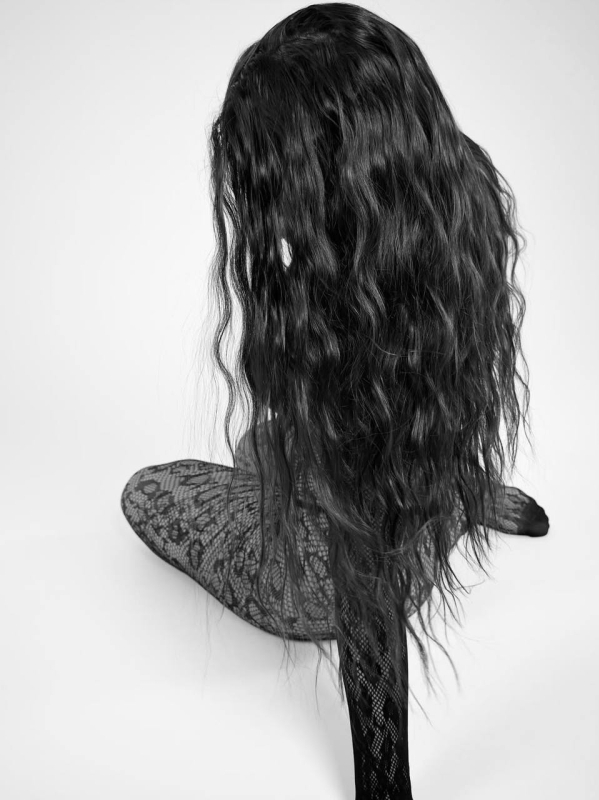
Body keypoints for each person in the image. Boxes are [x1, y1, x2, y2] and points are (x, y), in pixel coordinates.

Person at [120, 4, 550, 798]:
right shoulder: (460, 197)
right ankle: (464, 495)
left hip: (345, 570)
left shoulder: (342, 316)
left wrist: (383, 783)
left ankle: (412, 498)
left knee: (146, 491)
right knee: (265, 442)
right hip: (423, 495)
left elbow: (366, 596)